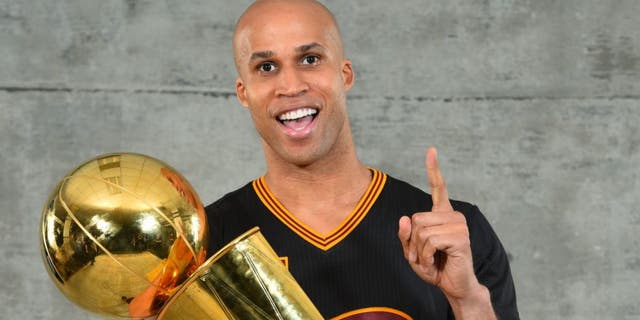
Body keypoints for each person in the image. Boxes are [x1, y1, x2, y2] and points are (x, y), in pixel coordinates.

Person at [206, 0, 519, 319]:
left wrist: (467, 300)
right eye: (267, 67)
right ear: (244, 92)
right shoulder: (204, 245)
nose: (291, 86)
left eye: (310, 59)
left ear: (345, 74)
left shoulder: (453, 236)